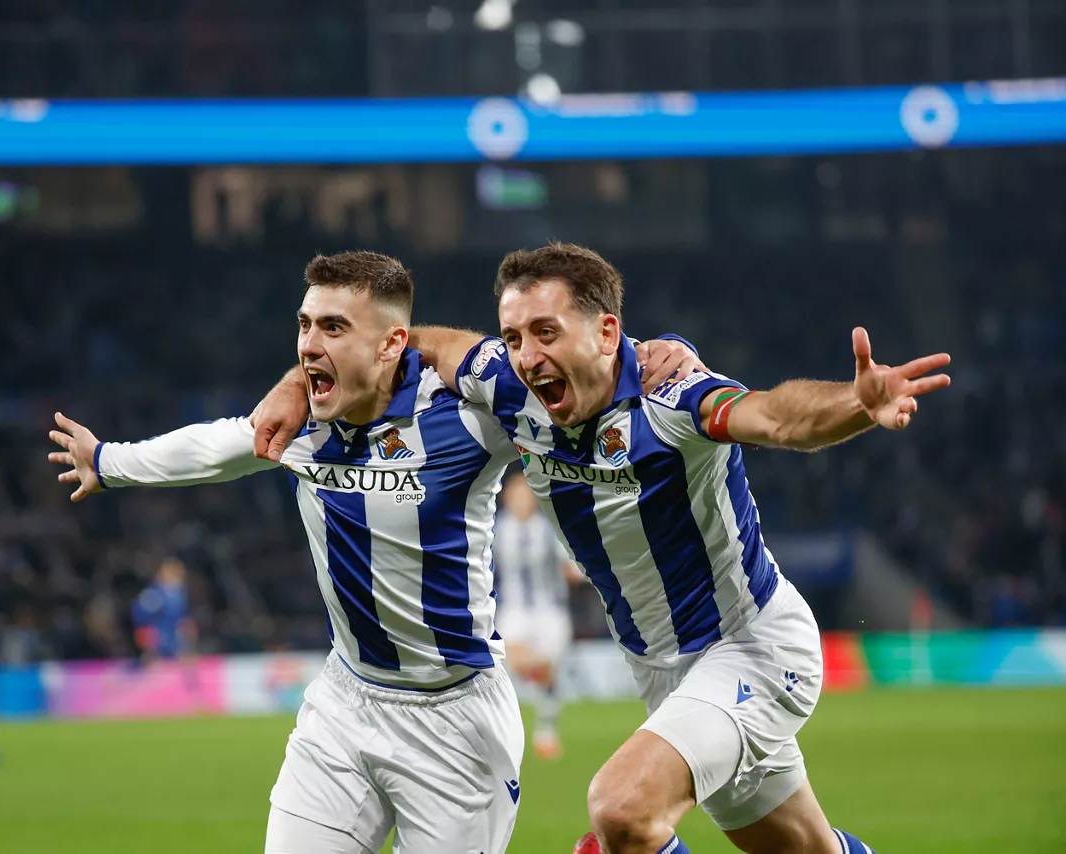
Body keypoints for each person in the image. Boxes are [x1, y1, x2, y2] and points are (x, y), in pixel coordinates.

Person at [252, 242, 950, 854]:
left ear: (607, 331)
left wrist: (856, 403)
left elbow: (775, 416)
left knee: (622, 810)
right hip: (662, 672)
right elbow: (414, 340)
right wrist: (293, 384)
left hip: (750, 649)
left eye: (545, 332)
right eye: (513, 335)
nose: (527, 356)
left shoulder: (671, 396)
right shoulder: (508, 386)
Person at [50, 251, 697, 854]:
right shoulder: (302, 422)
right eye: (305, 325)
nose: (310, 344)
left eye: (334, 327)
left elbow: (581, 377)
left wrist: (663, 351)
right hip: (344, 703)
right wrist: (107, 462)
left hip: (455, 721)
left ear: (391, 344)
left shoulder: (468, 414)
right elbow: (217, 448)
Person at [492, 470, 583, 760]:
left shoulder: (549, 529)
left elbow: (573, 566)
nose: (521, 500)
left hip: (549, 610)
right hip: (513, 608)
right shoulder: (495, 528)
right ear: (507, 497)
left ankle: (546, 728)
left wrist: (581, 573)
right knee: (515, 660)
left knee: (546, 671)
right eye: (516, 494)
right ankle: (507, 730)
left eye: (526, 494)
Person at [132, 557, 197, 663]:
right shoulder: (152, 594)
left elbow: (182, 618)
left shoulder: (180, 593)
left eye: (178, 573)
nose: (176, 577)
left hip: (174, 638)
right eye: (172, 573)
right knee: (146, 632)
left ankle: (182, 653)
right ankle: (152, 656)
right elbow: (140, 620)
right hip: (156, 638)